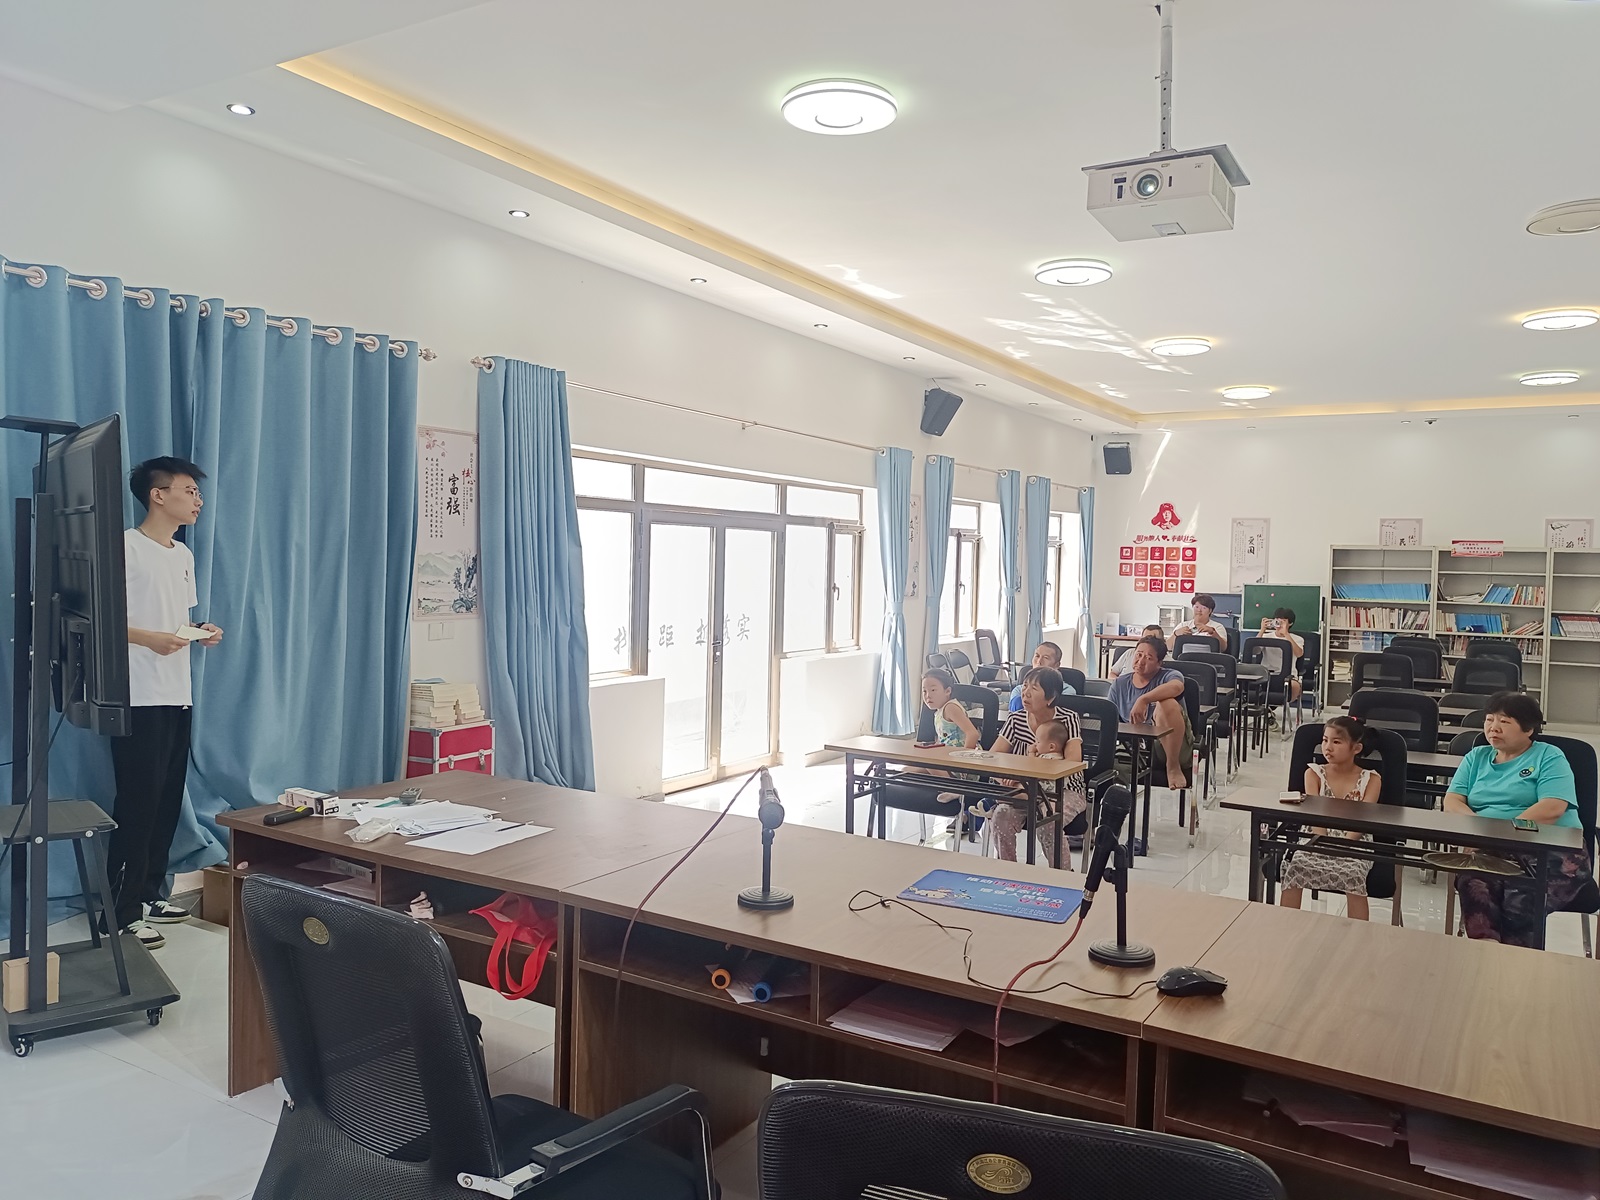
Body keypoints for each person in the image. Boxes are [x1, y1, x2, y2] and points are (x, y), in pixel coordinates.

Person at [107, 457, 223, 950]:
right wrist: (148, 639)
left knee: (167, 799)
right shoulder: (124, 548)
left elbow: (176, 618)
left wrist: (202, 631)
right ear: (158, 495)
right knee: (137, 801)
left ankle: (150, 893)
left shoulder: (183, 555)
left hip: (177, 693)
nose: (198, 500)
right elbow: (99, 619)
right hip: (137, 695)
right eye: (189, 490)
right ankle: (120, 911)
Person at [1443, 692, 1594, 948]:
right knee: (1472, 881)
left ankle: (1516, 965)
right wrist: (1480, 832)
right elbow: (1452, 802)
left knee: (1520, 892)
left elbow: (1552, 807)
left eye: (1505, 721)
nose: (1494, 727)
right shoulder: (1475, 757)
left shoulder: (1549, 756)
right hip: (1491, 847)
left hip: (1553, 850)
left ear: (1528, 729)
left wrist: (1500, 832)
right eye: (1489, 719)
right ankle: (1485, 954)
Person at [1280, 716, 1379, 920]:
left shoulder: (1372, 779)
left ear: (1356, 748)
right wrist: (1324, 844)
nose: (1328, 747)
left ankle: (1358, 933)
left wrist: (1344, 845)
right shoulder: (1313, 773)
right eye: (1325, 740)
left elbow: (1363, 819)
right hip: (1317, 836)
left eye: (1336, 742)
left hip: (1355, 840)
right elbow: (1315, 816)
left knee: (1353, 873)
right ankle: (1286, 926)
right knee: (1296, 865)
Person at [989, 667, 1086, 863]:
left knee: (1048, 820)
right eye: (1024, 686)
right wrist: (1008, 778)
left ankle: (1062, 875)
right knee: (1001, 816)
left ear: (1051, 697)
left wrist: (1027, 775)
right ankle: (1008, 872)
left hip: (1063, 789)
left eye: (1034, 688)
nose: (1025, 693)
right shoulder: (1015, 719)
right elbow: (993, 757)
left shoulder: (1067, 719)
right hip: (1023, 788)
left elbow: (1072, 763)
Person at [1107, 636, 1192, 790]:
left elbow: (1177, 687)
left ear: (1159, 663)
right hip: (1136, 747)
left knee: (1166, 703)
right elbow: (1110, 718)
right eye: (1138, 654)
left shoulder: (1169, 675)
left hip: (1171, 743)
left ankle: (1173, 766)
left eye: (1148, 658)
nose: (1141, 661)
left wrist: (1144, 699)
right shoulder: (1119, 684)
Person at [921, 669, 979, 751]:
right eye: (924, 691)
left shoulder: (950, 708)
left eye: (933, 690)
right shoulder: (939, 711)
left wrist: (964, 755)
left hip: (962, 756)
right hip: (948, 755)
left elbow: (973, 734)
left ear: (947, 691)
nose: (928, 695)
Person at [1007, 641, 1074, 712]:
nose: (1039, 661)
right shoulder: (1019, 690)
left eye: (1046, 658)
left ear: (1056, 665)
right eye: (1037, 656)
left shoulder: (1067, 691)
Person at [1258, 607, 1305, 701]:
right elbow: (1255, 650)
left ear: (1290, 623)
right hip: (1266, 673)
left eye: (1283, 621)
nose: (1279, 623)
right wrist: (1262, 630)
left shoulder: (1298, 639)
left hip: (1288, 675)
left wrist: (1286, 634)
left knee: (1295, 686)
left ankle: (1285, 703)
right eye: (1277, 620)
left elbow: (1299, 654)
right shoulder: (1266, 636)